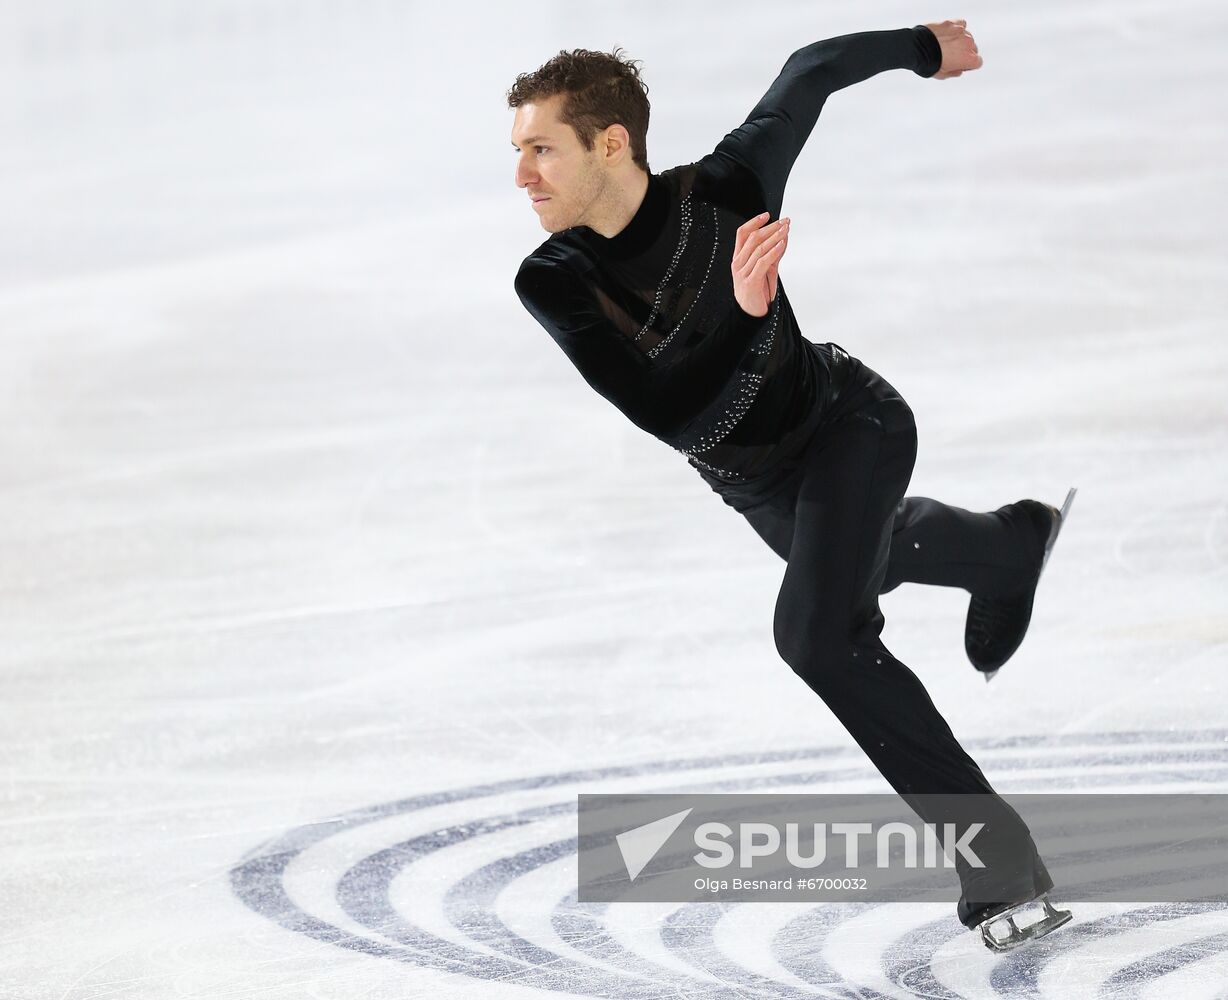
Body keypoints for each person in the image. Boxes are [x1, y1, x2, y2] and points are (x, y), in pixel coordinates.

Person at [509, 19, 1073, 949]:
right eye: (520, 151)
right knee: (872, 556)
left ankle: (997, 860)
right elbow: (665, 409)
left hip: (853, 423)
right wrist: (734, 312)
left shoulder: (726, 189)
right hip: (758, 484)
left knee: (817, 633)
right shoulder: (556, 277)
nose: (523, 175)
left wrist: (925, 47)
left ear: (612, 144)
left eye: (542, 150)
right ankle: (1013, 545)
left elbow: (806, 74)